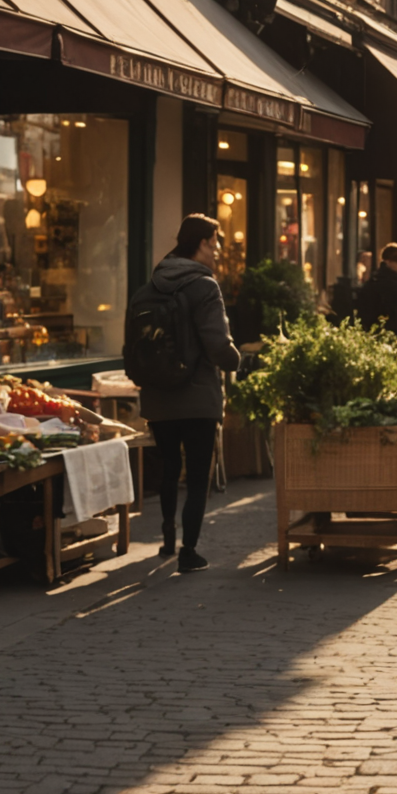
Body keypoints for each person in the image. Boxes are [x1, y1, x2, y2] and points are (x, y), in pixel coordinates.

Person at [134, 215, 243, 573]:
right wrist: (241, 361)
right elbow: (218, 346)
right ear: (203, 243)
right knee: (197, 478)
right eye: (216, 243)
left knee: (167, 469)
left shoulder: (147, 288)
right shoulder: (204, 287)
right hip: (197, 399)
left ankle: (167, 538)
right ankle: (189, 551)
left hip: (158, 397)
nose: (218, 251)